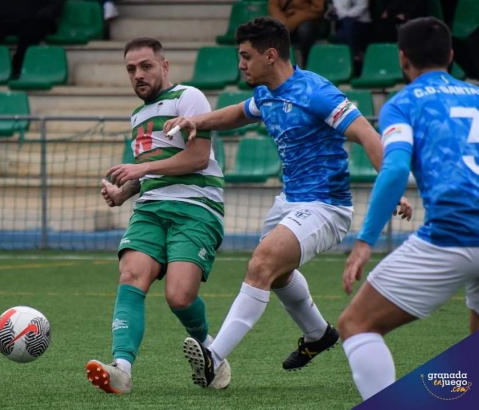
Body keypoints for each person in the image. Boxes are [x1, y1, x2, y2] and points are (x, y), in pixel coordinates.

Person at [164, 16, 412, 388]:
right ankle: (318, 334)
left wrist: (393, 187)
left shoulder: (316, 92)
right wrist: (198, 121)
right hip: (289, 202)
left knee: (262, 263)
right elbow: (238, 113)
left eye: (246, 56)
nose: (241, 64)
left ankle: (213, 357)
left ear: (271, 54)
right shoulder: (266, 92)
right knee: (278, 275)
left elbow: (366, 134)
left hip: (326, 206)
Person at [338, 17, 479, 402]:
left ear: (402, 59)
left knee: (356, 324)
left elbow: (396, 167)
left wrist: (365, 240)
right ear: (450, 56)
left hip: (454, 232)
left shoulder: (402, 104)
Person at [85, 37, 231, 394]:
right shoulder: (137, 115)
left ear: (164, 67)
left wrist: (138, 172)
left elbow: (197, 158)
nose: (138, 75)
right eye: (131, 69)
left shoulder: (189, 97)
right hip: (150, 209)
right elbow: (151, 171)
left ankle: (212, 351)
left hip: (195, 208)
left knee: (179, 297)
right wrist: (124, 192)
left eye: (146, 66)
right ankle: (121, 368)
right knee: (130, 277)